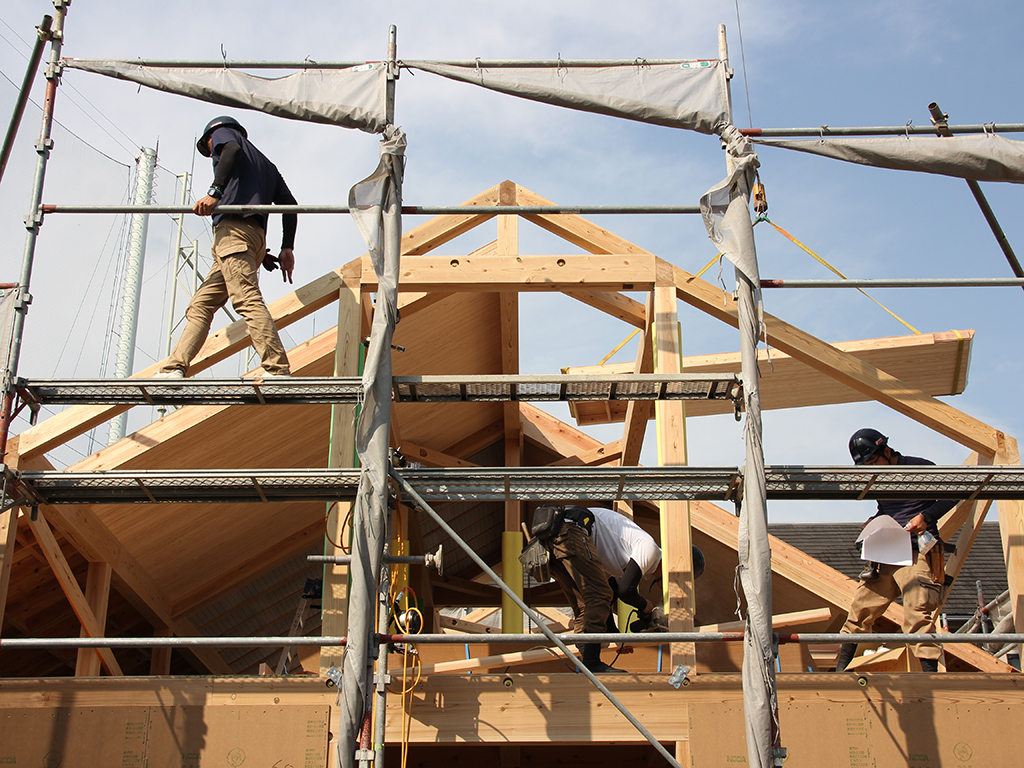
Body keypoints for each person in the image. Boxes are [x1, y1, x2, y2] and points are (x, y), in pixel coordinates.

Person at [157, 116, 297, 378]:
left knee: (246, 297)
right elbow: (290, 204)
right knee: (200, 305)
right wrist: (286, 246)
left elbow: (230, 150)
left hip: (234, 233)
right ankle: (174, 368)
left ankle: (276, 367)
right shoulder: (266, 165)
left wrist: (215, 192)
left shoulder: (225, 135)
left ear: (211, 137)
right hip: (250, 239)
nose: (213, 152)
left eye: (210, 149)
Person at [835, 428, 955, 673]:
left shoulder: (919, 467)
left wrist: (926, 515)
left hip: (917, 554)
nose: (871, 469)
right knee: (859, 611)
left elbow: (954, 493)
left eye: (872, 461)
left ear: (886, 451)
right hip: (887, 554)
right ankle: (839, 673)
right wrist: (874, 521)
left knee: (917, 614)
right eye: (866, 466)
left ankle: (930, 681)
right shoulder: (878, 479)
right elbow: (889, 510)